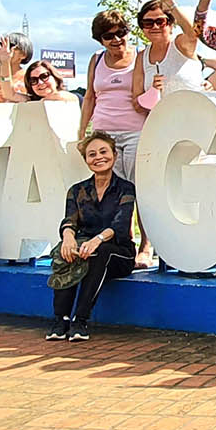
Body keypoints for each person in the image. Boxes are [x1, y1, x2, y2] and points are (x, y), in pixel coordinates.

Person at [54, 132, 138, 340]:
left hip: (118, 252)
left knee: (99, 253)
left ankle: (80, 320)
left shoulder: (125, 188)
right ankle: (60, 319)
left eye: (103, 151)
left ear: (114, 155)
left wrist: (97, 240)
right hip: (85, 248)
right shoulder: (77, 190)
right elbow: (70, 220)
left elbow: (120, 225)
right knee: (65, 251)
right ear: (86, 160)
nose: (98, 157)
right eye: (92, 154)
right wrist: (68, 237)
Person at [83, 9, 146, 177]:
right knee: (111, 186)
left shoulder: (141, 55)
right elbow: (89, 97)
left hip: (136, 132)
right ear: (100, 40)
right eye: (108, 36)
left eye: (120, 33)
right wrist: (81, 132)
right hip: (104, 132)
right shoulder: (96, 59)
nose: (116, 39)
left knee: (137, 183)